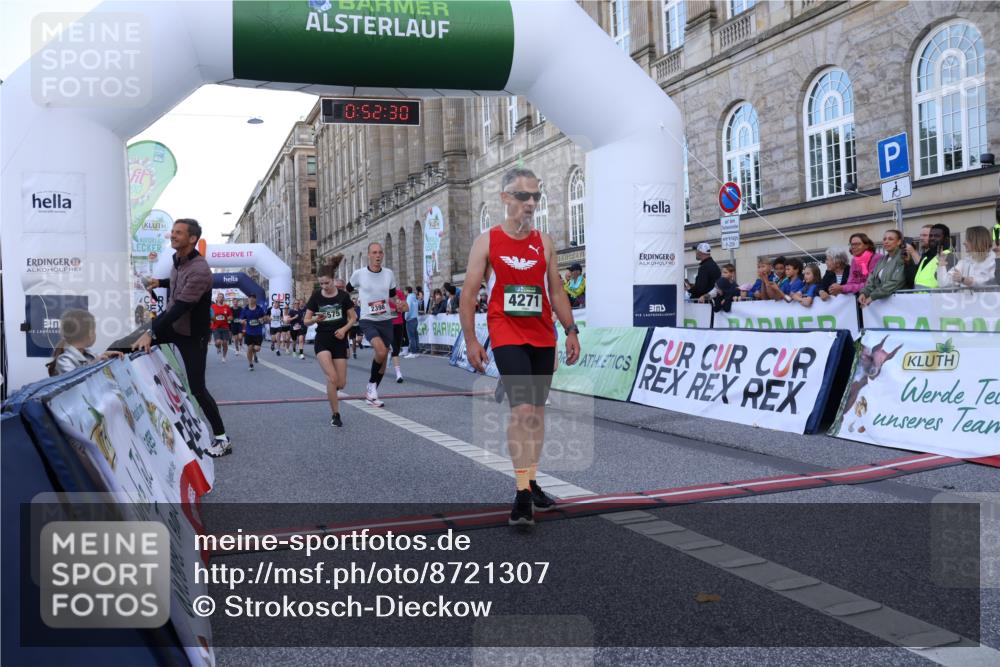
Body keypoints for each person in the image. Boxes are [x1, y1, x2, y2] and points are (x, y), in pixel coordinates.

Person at [460, 167, 580, 528]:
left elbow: (556, 290)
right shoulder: (487, 241)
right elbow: (468, 294)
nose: (530, 203)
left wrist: (571, 330)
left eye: (536, 197)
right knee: (523, 409)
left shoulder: (544, 242)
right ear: (505, 198)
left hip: (543, 333)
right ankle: (522, 493)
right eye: (523, 195)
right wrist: (470, 340)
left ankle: (530, 480)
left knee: (537, 414)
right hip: (506, 330)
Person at [133, 218, 231, 457]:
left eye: (178, 233)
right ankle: (103, 358)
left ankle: (222, 438)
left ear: (192, 238)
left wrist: (151, 331)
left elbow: (178, 308)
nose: (173, 235)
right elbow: (177, 284)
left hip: (192, 335)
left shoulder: (200, 269)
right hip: (174, 327)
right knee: (130, 341)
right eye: (173, 232)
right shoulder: (178, 261)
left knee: (197, 388)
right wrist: (161, 282)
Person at [305, 255, 357, 427]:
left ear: (333, 280)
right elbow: (306, 321)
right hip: (323, 340)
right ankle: (336, 414)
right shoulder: (316, 297)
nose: (324, 286)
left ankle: (333, 393)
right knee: (332, 377)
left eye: (327, 283)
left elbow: (353, 317)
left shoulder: (343, 296)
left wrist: (343, 329)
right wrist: (315, 319)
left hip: (339, 340)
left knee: (341, 383)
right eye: (321, 284)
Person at [347, 241, 397, 407]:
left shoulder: (389, 274)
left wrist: (400, 305)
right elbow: (347, 290)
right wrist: (348, 311)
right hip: (368, 319)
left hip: (386, 320)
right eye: (374, 252)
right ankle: (371, 386)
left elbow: (392, 296)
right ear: (368, 255)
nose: (377, 255)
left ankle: (372, 392)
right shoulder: (359, 274)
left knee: (382, 358)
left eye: (380, 253)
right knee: (381, 351)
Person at [47, 309, 123, 376]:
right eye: (94, 330)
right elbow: (75, 382)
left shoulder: (90, 355)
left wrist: (107, 357)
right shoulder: (64, 360)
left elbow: (96, 360)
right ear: (90, 333)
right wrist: (93, 365)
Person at [858, 230, 907, 307]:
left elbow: (896, 282)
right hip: (883, 304)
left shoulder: (903, 258)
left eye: (890, 239)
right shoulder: (882, 259)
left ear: (899, 242)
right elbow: (872, 279)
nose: (886, 241)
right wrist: (864, 293)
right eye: (884, 239)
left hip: (898, 304)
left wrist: (872, 297)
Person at [828, 233, 879, 298]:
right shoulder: (854, 260)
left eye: (857, 244)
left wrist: (842, 288)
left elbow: (871, 284)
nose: (853, 247)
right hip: (859, 298)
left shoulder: (876, 258)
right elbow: (850, 283)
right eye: (852, 244)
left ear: (867, 245)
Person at [914, 223, 954, 289]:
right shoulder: (926, 256)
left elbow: (947, 285)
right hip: (919, 297)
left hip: (935, 298)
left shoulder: (949, 256)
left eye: (937, 236)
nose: (932, 238)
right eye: (931, 235)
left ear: (946, 239)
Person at [240, 294, 267, 371]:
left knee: (257, 348)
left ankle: (255, 353)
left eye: (253, 298)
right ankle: (250, 364)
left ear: (255, 299)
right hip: (249, 332)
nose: (251, 299)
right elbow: (241, 319)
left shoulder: (259, 309)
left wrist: (263, 319)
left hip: (258, 332)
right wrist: (242, 321)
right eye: (250, 298)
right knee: (249, 348)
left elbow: (264, 317)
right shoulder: (245, 309)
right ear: (248, 299)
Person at [389, 291, 409, 382]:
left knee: (397, 346)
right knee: (395, 349)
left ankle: (391, 354)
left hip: (399, 323)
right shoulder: (381, 292)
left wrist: (396, 309)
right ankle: (398, 374)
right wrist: (396, 309)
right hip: (387, 324)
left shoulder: (399, 293)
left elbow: (407, 308)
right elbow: (377, 310)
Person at [210, 293, 233, 363]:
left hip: (225, 327)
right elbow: (210, 316)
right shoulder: (213, 306)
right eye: (219, 297)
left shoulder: (227, 307)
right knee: (218, 342)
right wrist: (213, 319)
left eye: (222, 297)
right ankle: (218, 347)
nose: (221, 298)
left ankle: (224, 357)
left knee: (225, 343)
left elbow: (231, 317)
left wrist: (229, 318)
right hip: (216, 327)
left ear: (223, 299)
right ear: (217, 299)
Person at [404, 286, 420, 358]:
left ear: (407, 291)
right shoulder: (414, 297)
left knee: (411, 336)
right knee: (415, 336)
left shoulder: (409, 298)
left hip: (410, 319)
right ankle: (416, 351)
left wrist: (406, 317)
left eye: (404, 291)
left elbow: (408, 308)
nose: (404, 292)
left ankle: (413, 352)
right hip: (415, 318)